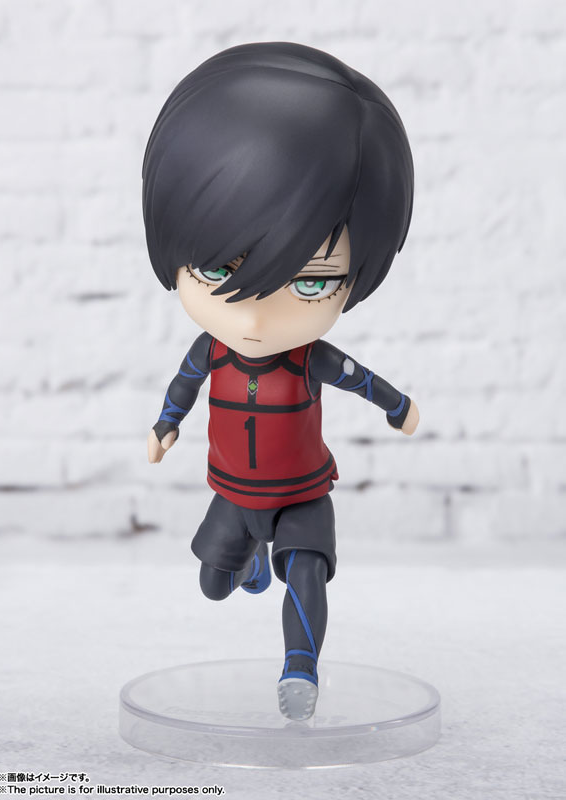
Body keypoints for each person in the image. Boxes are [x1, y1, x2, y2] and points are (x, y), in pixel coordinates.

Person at [142, 41, 418, 721]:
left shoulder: (308, 360)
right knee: (213, 585)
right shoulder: (210, 351)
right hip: (233, 492)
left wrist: (398, 408)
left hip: (300, 492)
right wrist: (166, 425)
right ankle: (246, 562)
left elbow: (360, 379)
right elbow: (183, 385)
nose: (258, 316)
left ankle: (300, 671)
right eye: (218, 270)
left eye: (312, 281)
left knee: (306, 571)